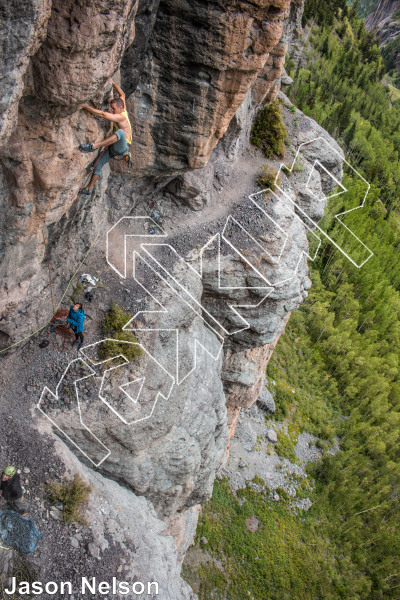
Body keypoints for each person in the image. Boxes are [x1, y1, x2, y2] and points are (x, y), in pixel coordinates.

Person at [79, 81, 132, 194]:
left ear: (120, 108)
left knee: (121, 133)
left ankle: (93, 146)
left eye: (114, 109)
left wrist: (86, 107)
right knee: (98, 164)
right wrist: (113, 83)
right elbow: (122, 94)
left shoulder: (121, 117)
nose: (112, 111)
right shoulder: (123, 110)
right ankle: (88, 189)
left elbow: (103, 114)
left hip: (122, 147)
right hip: (114, 148)